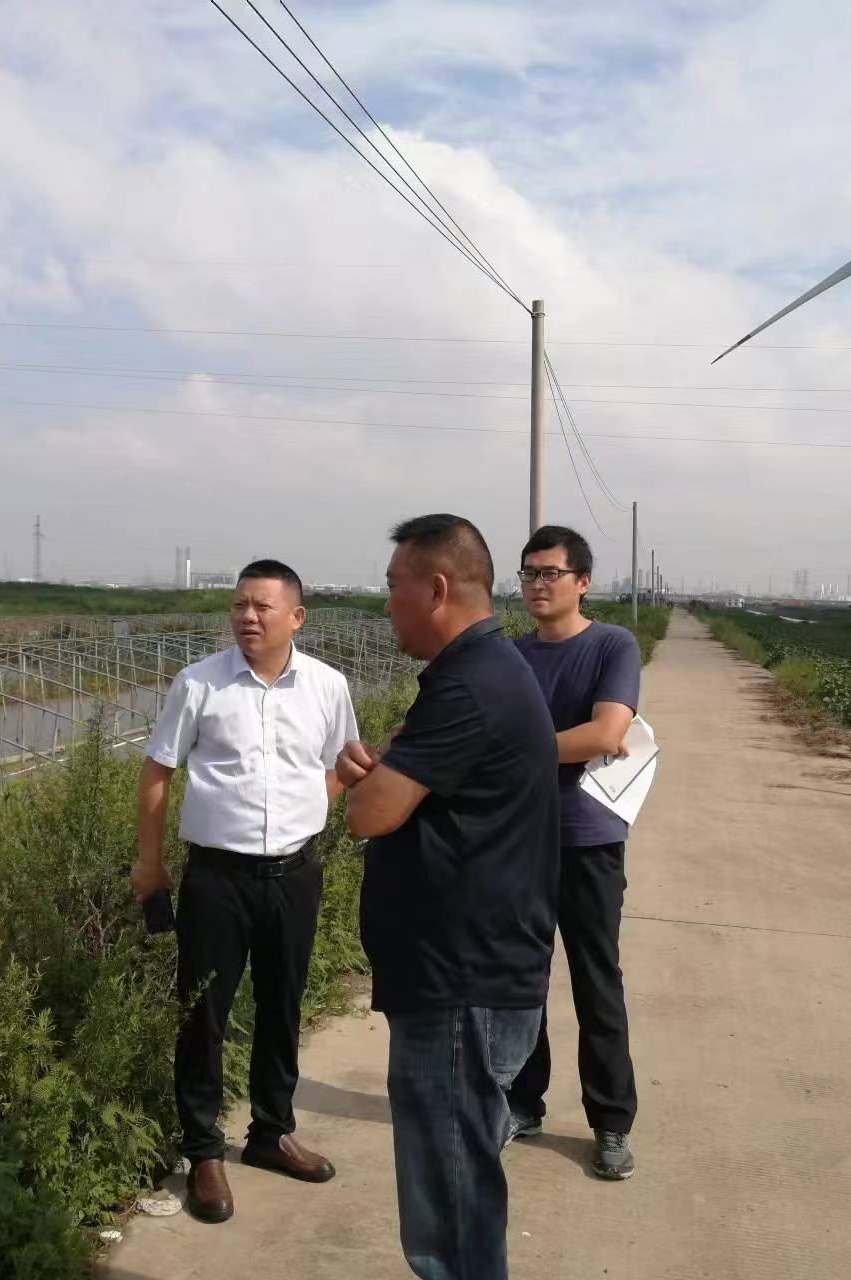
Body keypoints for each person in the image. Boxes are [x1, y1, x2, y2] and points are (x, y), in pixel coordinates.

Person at [336, 513, 560, 1280]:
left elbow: (369, 814)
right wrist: (392, 769)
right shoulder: (487, 671)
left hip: (461, 985)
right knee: (459, 1187)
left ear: (436, 589)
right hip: (473, 974)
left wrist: (373, 780)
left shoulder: (468, 685)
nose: (386, 603)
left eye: (393, 586)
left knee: (451, 1207)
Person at [131, 559, 358, 1225]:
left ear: (296, 618)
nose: (247, 617)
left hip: (294, 874)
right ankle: (203, 1150)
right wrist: (150, 862)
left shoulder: (327, 686)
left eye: (262, 606)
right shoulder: (199, 683)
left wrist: (309, 810)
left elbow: (342, 762)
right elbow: (158, 771)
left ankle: (271, 1132)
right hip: (217, 878)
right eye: (239, 606)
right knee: (204, 1010)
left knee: (282, 1001)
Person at [504, 524, 640, 1180]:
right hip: (519, 839)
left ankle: (611, 1121)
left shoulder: (613, 645)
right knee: (520, 981)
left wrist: (516, 749)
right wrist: (563, 742)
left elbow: (608, 732)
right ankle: (520, 1103)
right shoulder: (511, 656)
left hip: (588, 840)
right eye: (529, 573)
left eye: (551, 573)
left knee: (596, 981)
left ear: (582, 582)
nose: (538, 584)